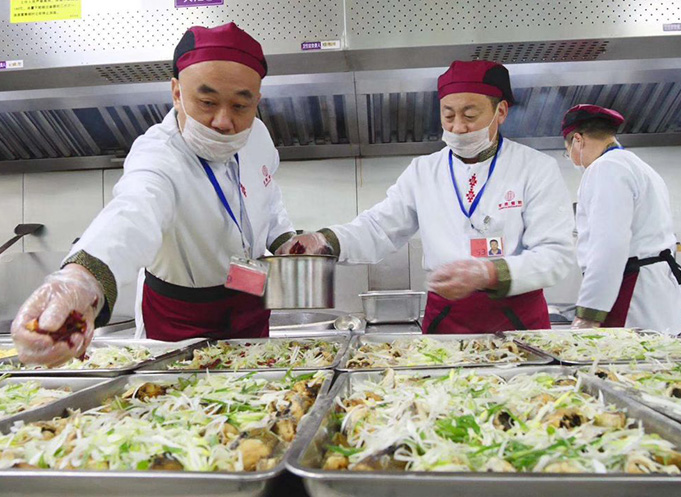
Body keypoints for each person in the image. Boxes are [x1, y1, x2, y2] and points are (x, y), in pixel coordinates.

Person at [11, 23, 296, 366]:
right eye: (207, 102)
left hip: (250, 307)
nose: (223, 121)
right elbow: (134, 212)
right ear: (176, 92)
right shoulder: (158, 154)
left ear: (256, 102)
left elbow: (267, 191)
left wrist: (284, 237)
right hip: (179, 319)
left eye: (240, 106)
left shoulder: (257, 135)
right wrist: (81, 280)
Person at [278, 60, 575, 334]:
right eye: (448, 115)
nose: (458, 127)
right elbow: (379, 228)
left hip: (517, 322)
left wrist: (489, 273)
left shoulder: (535, 168)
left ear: (501, 112)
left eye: (470, 115)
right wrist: (326, 240)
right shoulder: (423, 171)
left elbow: (555, 254)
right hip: (447, 320)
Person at [563, 104, 681, 332]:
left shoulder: (605, 168)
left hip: (630, 291)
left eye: (568, 153)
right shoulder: (638, 166)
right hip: (655, 290)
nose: (574, 160)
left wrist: (589, 313)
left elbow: (609, 244)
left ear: (578, 140)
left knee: (628, 354)